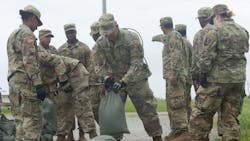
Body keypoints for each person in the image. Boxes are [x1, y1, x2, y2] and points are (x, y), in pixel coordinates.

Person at [179, 4, 249, 141]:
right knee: (230, 118)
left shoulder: (214, 31)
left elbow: (206, 58)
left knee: (200, 118)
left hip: (216, 81)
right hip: (237, 81)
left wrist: (201, 76)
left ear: (216, 16)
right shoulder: (243, 31)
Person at [93, 13, 163, 141]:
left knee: (147, 110)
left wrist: (124, 81)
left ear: (116, 26)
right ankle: (113, 139)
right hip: (115, 81)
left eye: (109, 31)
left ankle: (157, 137)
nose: (107, 35)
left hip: (137, 80)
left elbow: (136, 63)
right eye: (104, 32)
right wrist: (106, 77)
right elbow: (97, 64)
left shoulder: (131, 38)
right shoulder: (100, 42)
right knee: (111, 114)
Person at [7, 5, 46, 141]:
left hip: (13, 84)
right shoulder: (27, 34)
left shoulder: (13, 34)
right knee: (32, 122)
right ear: (32, 18)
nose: (37, 27)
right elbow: (29, 60)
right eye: (37, 23)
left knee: (20, 122)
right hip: (25, 83)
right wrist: (38, 83)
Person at [58, 23, 96, 141]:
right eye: (68, 32)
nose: (71, 34)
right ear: (65, 34)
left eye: (72, 32)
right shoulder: (61, 50)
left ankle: (82, 134)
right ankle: (69, 134)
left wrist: (89, 81)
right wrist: (63, 81)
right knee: (67, 111)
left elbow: (90, 65)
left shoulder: (84, 48)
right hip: (66, 85)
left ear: (75, 32)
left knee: (83, 109)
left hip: (81, 84)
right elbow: (58, 67)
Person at [152, 17, 188, 141]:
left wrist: (174, 74)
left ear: (162, 26)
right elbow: (160, 38)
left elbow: (176, 55)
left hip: (175, 77)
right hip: (171, 77)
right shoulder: (170, 36)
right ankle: (176, 131)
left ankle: (184, 131)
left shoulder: (173, 36)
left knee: (177, 103)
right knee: (172, 104)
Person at [38, 29, 58, 141]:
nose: (49, 39)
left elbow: (59, 64)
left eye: (50, 37)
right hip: (40, 89)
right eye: (46, 37)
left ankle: (49, 137)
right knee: (41, 116)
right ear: (40, 37)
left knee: (51, 116)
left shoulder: (53, 50)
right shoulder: (35, 49)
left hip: (53, 87)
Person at [175, 24, 192, 121]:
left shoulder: (179, 42)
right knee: (187, 100)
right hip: (188, 75)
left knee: (180, 101)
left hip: (181, 75)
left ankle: (184, 123)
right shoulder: (189, 43)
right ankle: (189, 121)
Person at [89, 21, 102, 123]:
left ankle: (110, 132)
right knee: (94, 108)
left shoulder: (108, 45)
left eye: (97, 34)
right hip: (94, 84)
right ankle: (104, 128)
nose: (95, 37)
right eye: (94, 35)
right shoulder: (94, 49)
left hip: (106, 83)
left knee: (108, 109)